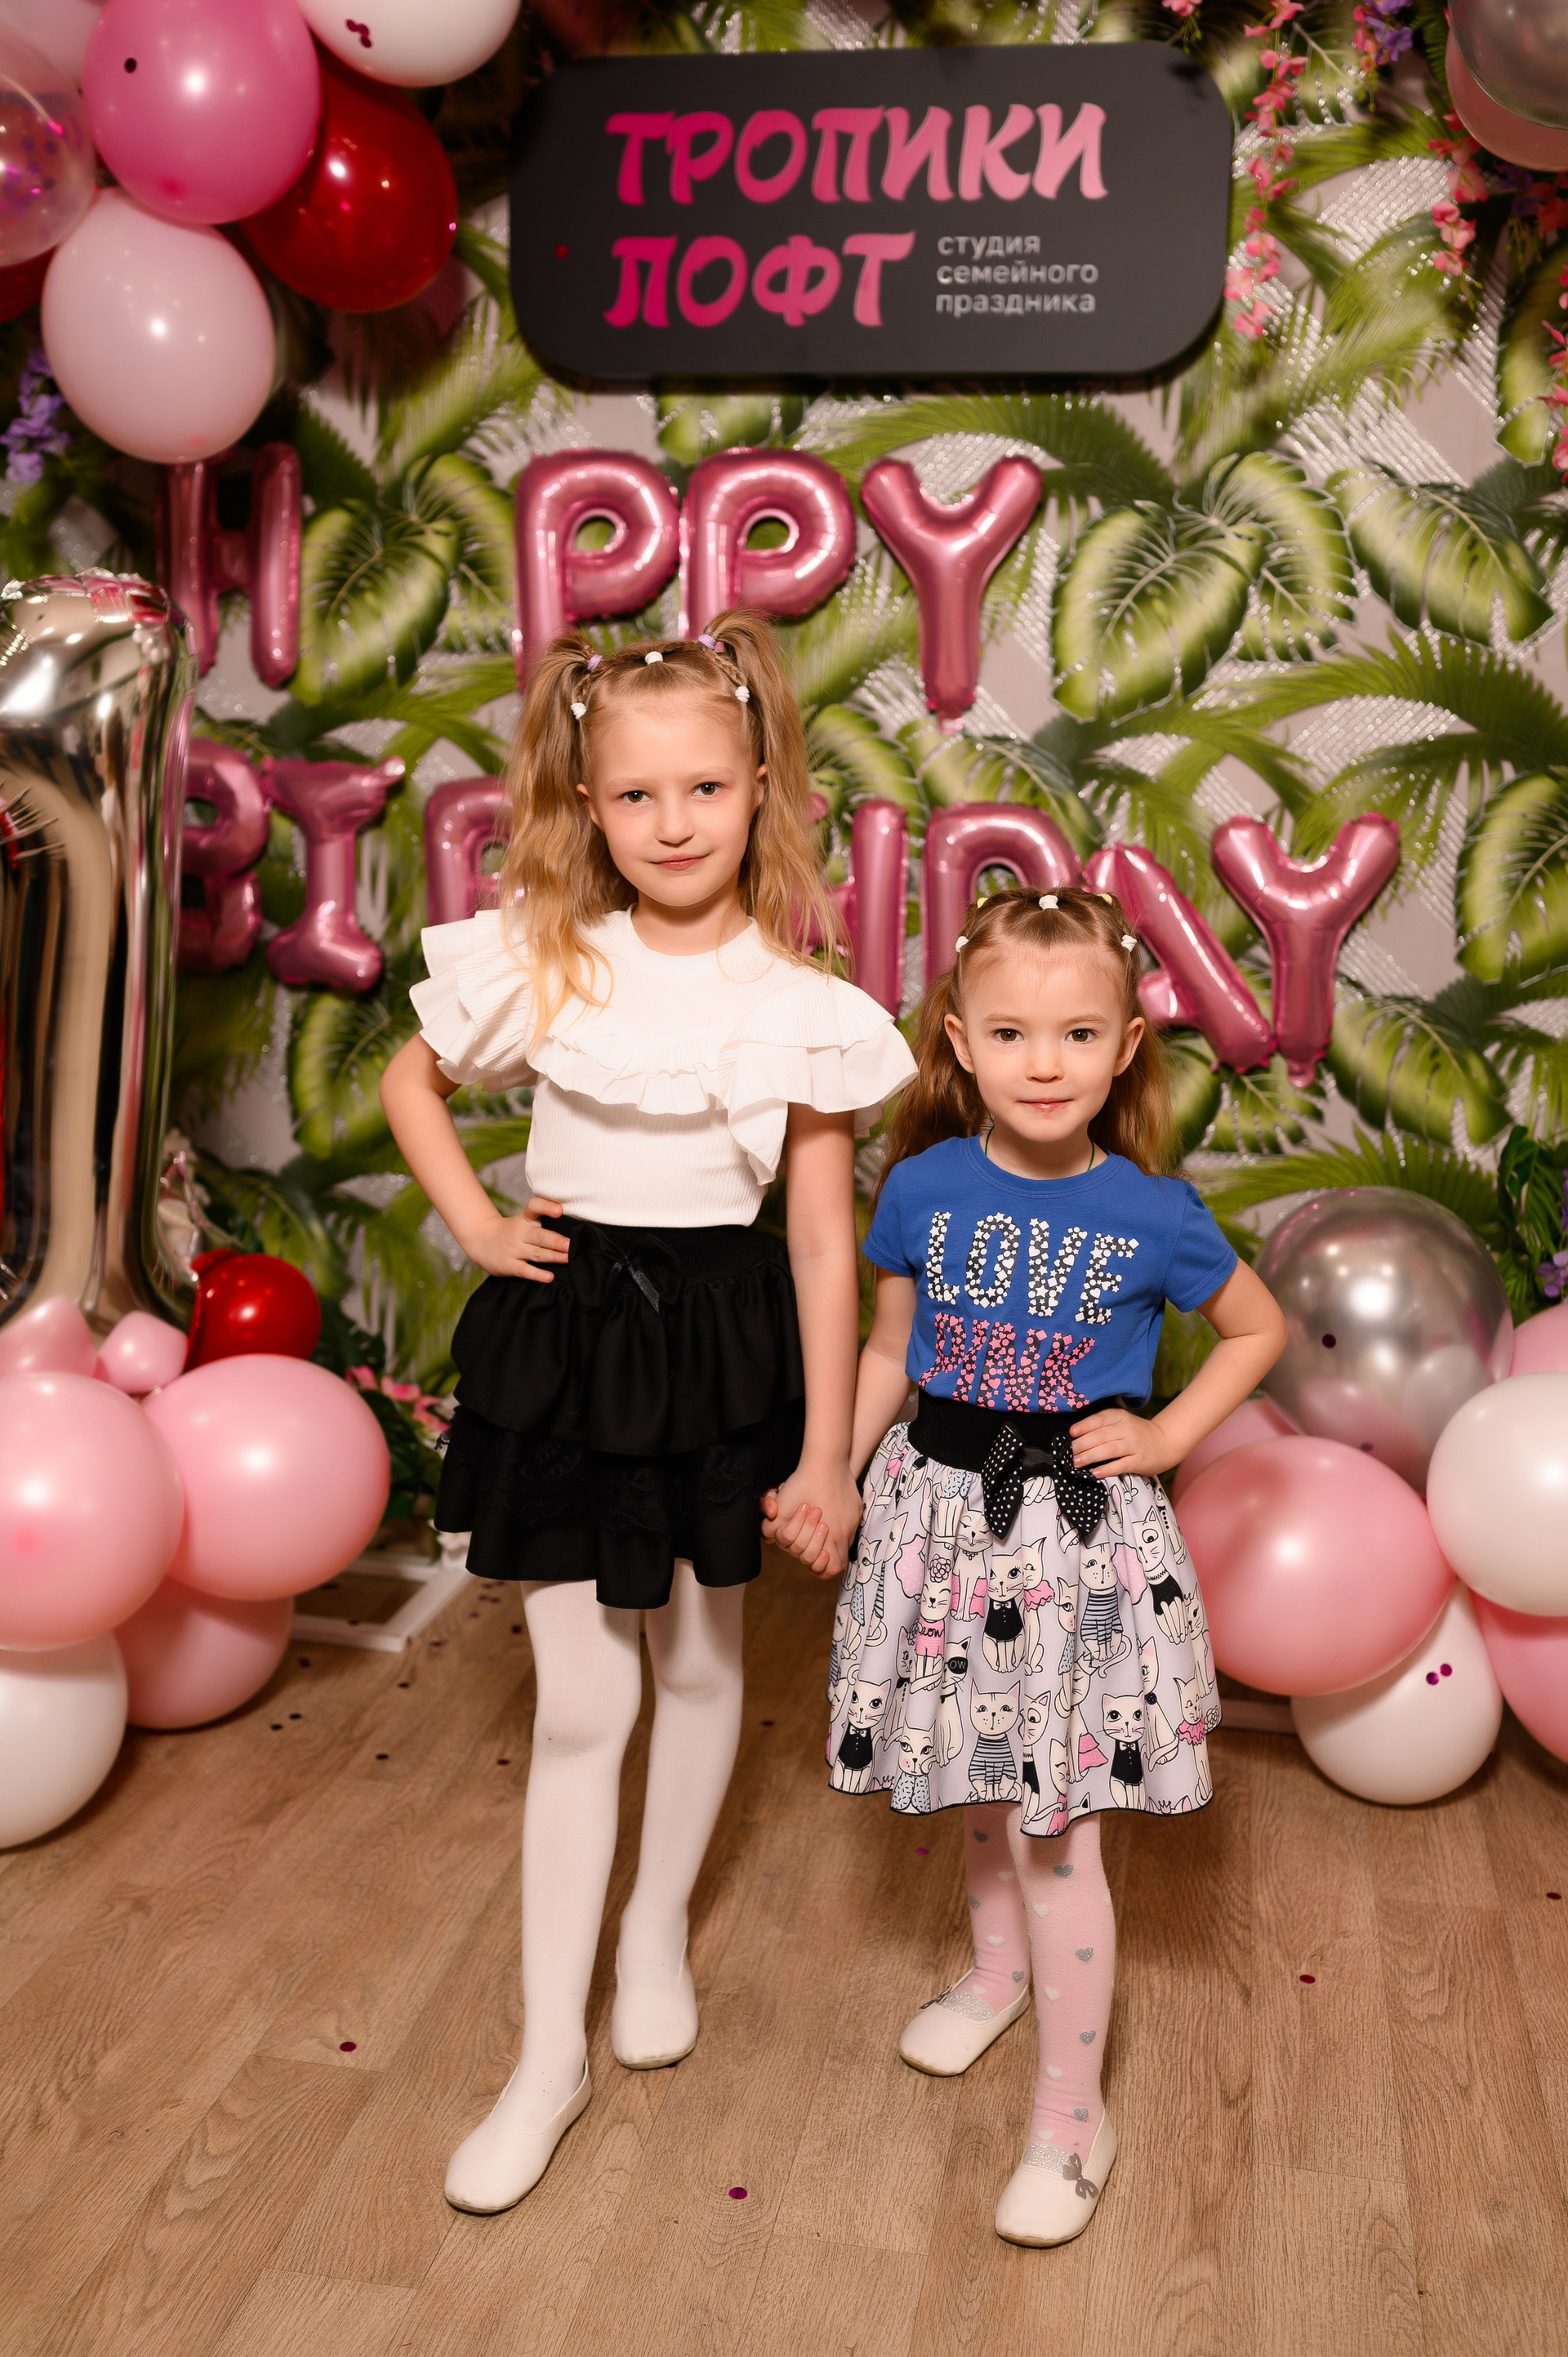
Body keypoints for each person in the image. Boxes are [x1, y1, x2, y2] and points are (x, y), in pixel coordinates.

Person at [381, 616, 914, 2214]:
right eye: (635, 795)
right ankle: (546, 2054)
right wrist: (478, 1223)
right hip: (571, 1336)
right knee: (582, 1700)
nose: (673, 823)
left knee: (697, 1660)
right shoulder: (551, 955)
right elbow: (413, 1083)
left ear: (762, 786)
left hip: (724, 1345)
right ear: (587, 803)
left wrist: (826, 1452)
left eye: (705, 787)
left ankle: (657, 1924)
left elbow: (820, 1242)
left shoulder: (802, 1004)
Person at [775, 884, 1285, 2248]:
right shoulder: (922, 1186)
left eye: (1077, 1034)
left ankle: (1073, 2117)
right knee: (976, 1771)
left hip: (1074, 1541)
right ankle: (998, 1974)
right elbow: (891, 1348)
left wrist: (1165, 1433)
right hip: (940, 1521)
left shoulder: (1154, 1212)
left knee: (1057, 1828)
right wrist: (833, 1471)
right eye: (1009, 1033)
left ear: (1126, 1047)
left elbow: (1256, 1328)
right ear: (959, 1039)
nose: (1044, 1063)